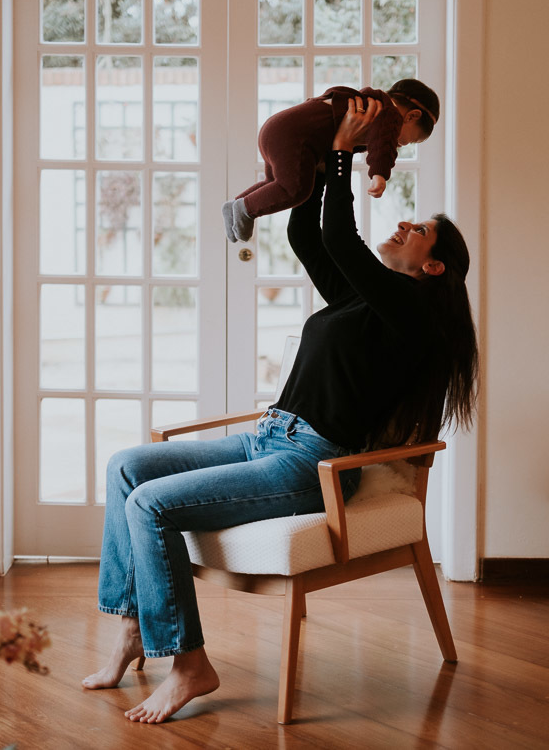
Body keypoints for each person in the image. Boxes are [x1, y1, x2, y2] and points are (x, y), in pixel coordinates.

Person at [83, 98, 478, 724]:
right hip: (269, 438)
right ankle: (133, 630)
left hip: (311, 463)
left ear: (432, 268)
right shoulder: (361, 300)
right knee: (127, 466)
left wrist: (346, 152)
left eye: (419, 231)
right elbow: (307, 235)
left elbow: (339, 237)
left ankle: (190, 665)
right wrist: (314, 166)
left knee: (149, 504)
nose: (403, 226)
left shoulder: (411, 317)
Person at [222, 79, 440, 243]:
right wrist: (379, 174)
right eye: (413, 140)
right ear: (412, 116)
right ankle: (245, 209)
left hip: (277, 127)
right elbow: (383, 147)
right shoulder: (388, 113)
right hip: (294, 136)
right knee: (295, 189)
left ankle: (234, 207)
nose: (403, 144)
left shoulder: (367, 103)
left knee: (275, 184)